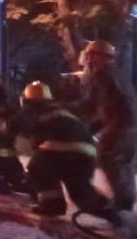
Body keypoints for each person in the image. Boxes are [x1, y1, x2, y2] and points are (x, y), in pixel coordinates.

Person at [10, 81, 119, 224]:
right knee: (79, 189)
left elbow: (10, 127)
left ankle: (52, 205)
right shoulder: (61, 110)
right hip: (86, 151)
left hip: (58, 147)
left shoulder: (31, 109)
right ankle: (108, 210)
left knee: (36, 170)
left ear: (26, 99)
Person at [76, 40, 137, 212]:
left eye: (91, 55)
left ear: (101, 57)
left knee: (107, 157)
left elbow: (92, 102)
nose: (88, 59)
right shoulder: (115, 72)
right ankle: (127, 198)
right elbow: (111, 104)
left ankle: (122, 201)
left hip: (121, 125)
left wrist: (63, 107)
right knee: (124, 161)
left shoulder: (102, 74)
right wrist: (94, 127)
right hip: (136, 124)